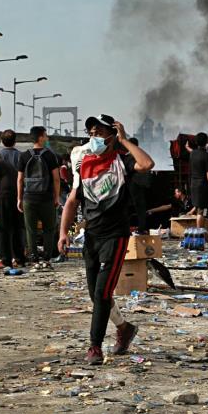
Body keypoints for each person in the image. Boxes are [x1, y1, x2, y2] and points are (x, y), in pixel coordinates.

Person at [58, 114, 155, 365]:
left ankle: (94, 347)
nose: (94, 138)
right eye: (91, 133)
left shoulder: (121, 162)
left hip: (115, 236)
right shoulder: (84, 164)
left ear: (112, 135)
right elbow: (72, 201)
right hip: (91, 236)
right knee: (95, 294)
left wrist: (124, 141)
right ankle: (124, 328)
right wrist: (64, 234)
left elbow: (146, 164)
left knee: (102, 292)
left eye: (100, 133)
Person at [17, 126, 60, 263]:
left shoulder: (24, 156)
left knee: (30, 229)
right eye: (46, 135)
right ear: (41, 137)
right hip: (46, 198)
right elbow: (56, 179)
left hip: (29, 198)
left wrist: (19, 198)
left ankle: (33, 255)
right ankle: (47, 255)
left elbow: (19, 179)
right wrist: (56, 197)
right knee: (49, 228)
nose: (47, 138)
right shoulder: (50, 155)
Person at [0, 140, 24, 268]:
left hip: (3, 198)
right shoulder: (5, 164)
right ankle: (19, 258)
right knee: (15, 229)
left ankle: (5, 260)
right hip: (14, 197)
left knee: (2, 229)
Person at [189, 133, 208, 230]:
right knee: (202, 211)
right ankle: (199, 233)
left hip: (193, 184)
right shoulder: (207, 156)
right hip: (203, 186)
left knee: (200, 209)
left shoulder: (192, 154)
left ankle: (203, 232)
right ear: (206, 142)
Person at [127, 137, 152, 234]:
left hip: (132, 185)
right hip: (142, 185)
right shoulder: (142, 156)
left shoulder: (129, 157)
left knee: (130, 208)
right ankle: (142, 228)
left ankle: (134, 228)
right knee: (140, 209)